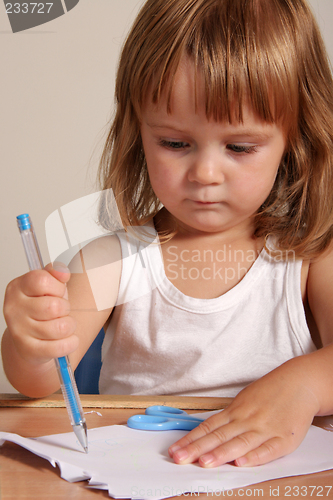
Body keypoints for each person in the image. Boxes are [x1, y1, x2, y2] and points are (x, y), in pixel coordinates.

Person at [2, 0, 333, 469]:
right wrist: (30, 340)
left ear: (295, 140)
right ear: (139, 133)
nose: (205, 172)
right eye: (175, 143)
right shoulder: (107, 262)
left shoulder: (310, 258)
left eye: (239, 147)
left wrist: (303, 385)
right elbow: (41, 384)